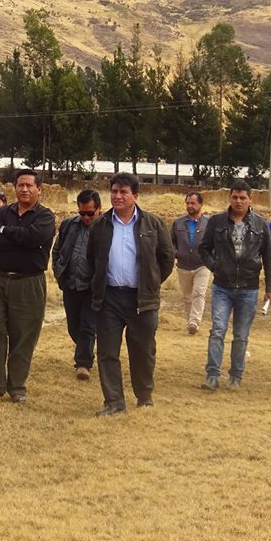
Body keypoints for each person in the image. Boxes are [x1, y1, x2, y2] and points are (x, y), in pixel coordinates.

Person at [86, 173, 174, 416]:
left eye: (123, 192)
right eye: (114, 191)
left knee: (143, 350)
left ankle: (144, 396)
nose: (117, 196)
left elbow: (166, 259)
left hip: (141, 299)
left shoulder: (154, 224)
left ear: (135, 196)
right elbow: (92, 259)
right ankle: (113, 402)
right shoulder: (100, 225)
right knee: (106, 352)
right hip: (109, 298)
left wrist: (151, 283)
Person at [0, 169, 55, 404]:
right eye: (20, 185)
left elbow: (35, 238)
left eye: (30, 185)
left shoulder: (45, 217)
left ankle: (17, 386)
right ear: (15, 188)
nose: (24, 189)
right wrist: (19, 240)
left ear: (39, 189)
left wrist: (7, 235)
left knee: (23, 336)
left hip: (29, 283)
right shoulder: (2, 213)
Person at [198, 180, 271, 391]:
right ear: (229, 198)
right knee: (217, 330)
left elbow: (269, 257)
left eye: (243, 197)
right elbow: (204, 248)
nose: (238, 201)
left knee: (241, 335)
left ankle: (235, 376)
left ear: (250, 199)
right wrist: (216, 266)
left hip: (248, 288)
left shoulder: (261, 224)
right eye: (235, 197)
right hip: (222, 286)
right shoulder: (216, 221)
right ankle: (212, 375)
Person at [51, 189, 101, 380]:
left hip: (92, 287)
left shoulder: (107, 228)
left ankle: (83, 363)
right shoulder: (68, 225)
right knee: (74, 326)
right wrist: (58, 272)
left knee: (88, 325)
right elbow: (57, 251)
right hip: (70, 284)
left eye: (90, 213)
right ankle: (86, 349)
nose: (86, 217)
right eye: (82, 213)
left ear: (99, 209)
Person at [171, 192, 211, 334]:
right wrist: (176, 253)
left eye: (193, 203)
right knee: (187, 296)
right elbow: (172, 242)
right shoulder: (178, 223)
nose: (190, 206)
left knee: (199, 292)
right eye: (188, 203)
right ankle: (190, 322)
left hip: (202, 265)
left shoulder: (208, 223)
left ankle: (195, 321)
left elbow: (213, 242)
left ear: (200, 204)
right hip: (183, 265)